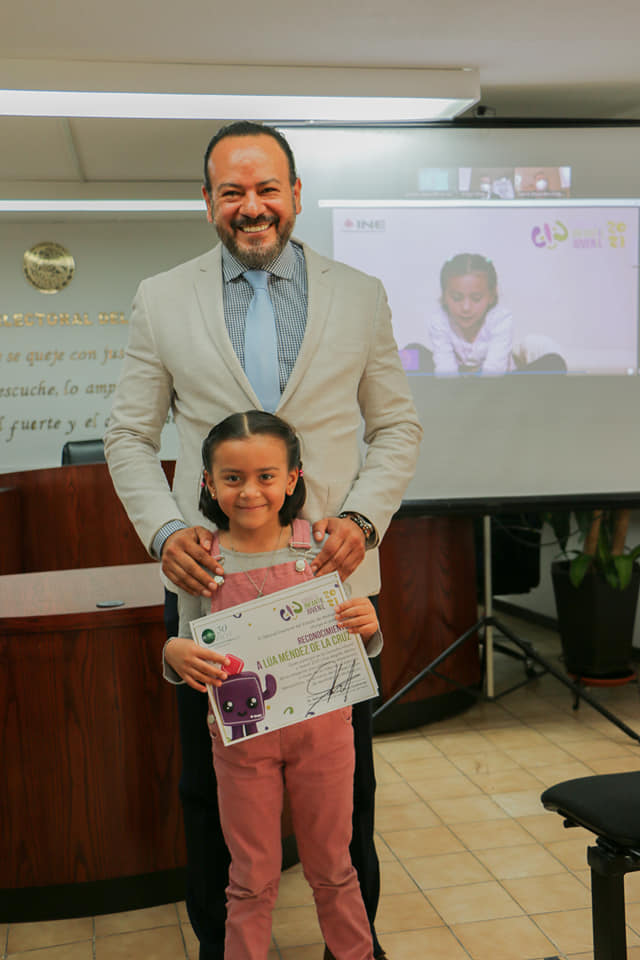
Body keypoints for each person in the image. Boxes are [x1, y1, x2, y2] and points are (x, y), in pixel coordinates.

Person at [104, 119, 422, 960]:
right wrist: (165, 529)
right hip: (213, 591)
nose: (253, 208)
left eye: (268, 188)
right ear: (206, 201)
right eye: (233, 192)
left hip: (331, 591)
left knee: (346, 799)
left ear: (296, 195)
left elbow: (396, 426)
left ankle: (351, 948)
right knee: (209, 791)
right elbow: (129, 437)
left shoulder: (360, 293)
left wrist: (360, 520)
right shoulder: (161, 298)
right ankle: (223, 945)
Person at [164, 410, 381, 960]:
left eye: (266, 476)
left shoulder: (323, 549)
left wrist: (369, 627)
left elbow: (357, 635)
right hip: (243, 746)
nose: (250, 492)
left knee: (334, 867)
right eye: (232, 478)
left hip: (326, 736)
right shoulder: (200, 558)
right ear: (207, 483)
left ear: (292, 478)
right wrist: (174, 653)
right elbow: (183, 638)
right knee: (250, 877)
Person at [402, 253, 566, 376]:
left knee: (554, 362)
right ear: (444, 296)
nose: (466, 307)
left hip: (500, 386)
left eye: (476, 298)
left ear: (491, 296)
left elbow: (494, 373)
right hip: (456, 387)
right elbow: (445, 370)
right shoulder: (439, 320)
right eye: (457, 298)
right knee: (410, 354)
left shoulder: (501, 319)